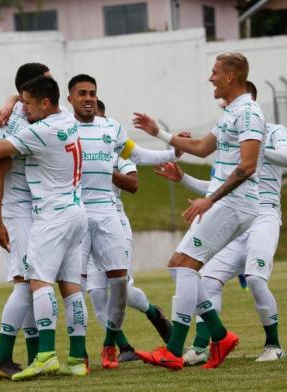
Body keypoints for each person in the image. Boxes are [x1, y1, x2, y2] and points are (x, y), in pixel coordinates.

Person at [133, 52, 266, 370]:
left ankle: (175, 349)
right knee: (180, 266)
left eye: (215, 72)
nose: (211, 78)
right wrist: (159, 134)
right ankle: (220, 336)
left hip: (234, 204)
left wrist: (211, 199)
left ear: (231, 77)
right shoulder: (233, 111)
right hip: (229, 203)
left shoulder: (248, 112)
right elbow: (204, 147)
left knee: (184, 266)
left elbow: (247, 166)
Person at [154, 83, 286, 364]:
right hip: (233, 212)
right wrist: (184, 179)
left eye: (230, 105)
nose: (225, 110)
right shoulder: (229, 137)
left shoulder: (273, 132)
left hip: (263, 215)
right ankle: (203, 346)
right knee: (207, 278)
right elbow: (220, 185)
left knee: (254, 278)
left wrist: (258, 149)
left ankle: (273, 344)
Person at [67, 74, 179, 369]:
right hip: (76, 214)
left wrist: (175, 151)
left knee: (119, 286)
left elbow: (138, 157)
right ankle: (83, 354)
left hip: (109, 214)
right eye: (82, 93)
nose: (88, 98)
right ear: (70, 99)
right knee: (80, 288)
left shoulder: (111, 129)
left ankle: (113, 340)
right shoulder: (61, 128)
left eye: (92, 93)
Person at [0, 76, 88, 380]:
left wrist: (12, 112)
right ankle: (74, 358)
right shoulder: (64, 117)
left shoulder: (36, 129)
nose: (24, 106)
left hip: (49, 214)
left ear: (43, 101)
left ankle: (39, 355)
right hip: (66, 211)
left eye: (27, 101)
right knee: (65, 284)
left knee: (34, 282)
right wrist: (12, 102)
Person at [0, 63, 51, 380]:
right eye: (48, 80)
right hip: (17, 210)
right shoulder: (13, 126)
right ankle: (1, 357)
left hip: (35, 208)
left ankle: (34, 356)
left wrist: (12, 97)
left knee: (30, 280)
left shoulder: (35, 113)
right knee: (27, 282)